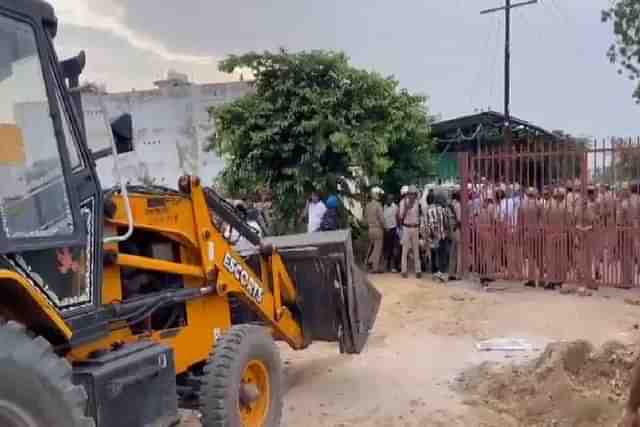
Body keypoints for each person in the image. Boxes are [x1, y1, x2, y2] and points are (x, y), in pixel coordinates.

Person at [425, 192, 449, 282]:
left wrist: (431, 235)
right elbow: (446, 223)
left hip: (434, 236)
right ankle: (441, 272)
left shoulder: (429, 210)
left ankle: (436, 272)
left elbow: (429, 224)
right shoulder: (444, 210)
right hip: (442, 235)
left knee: (435, 254)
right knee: (443, 254)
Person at [399, 185, 422, 279]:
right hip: (406, 228)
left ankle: (418, 270)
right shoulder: (403, 203)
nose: (412, 195)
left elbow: (420, 215)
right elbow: (401, 217)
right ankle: (404, 270)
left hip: (415, 228)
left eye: (414, 194)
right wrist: (407, 208)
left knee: (416, 249)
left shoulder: (417, 203)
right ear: (408, 194)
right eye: (411, 194)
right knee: (405, 250)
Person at [365, 187, 386, 273]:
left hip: (370, 229)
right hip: (378, 229)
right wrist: (385, 227)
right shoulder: (378, 205)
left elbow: (365, 218)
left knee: (372, 247)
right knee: (377, 248)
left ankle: (370, 262)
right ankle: (374, 266)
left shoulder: (368, 206)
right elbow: (381, 218)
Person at [383, 194, 400, 272]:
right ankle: (388, 266)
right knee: (388, 249)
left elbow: (398, 218)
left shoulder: (396, 207)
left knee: (395, 248)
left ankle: (395, 266)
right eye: (387, 199)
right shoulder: (384, 207)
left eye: (390, 199)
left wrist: (398, 229)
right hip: (386, 230)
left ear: (392, 200)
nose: (388, 201)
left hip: (394, 229)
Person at [448, 190, 462, 281]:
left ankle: (451, 273)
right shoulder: (458, 205)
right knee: (459, 252)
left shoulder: (449, 205)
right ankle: (458, 274)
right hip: (457, 229)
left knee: (452, 252)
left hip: (451, 229)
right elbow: (459, 220)